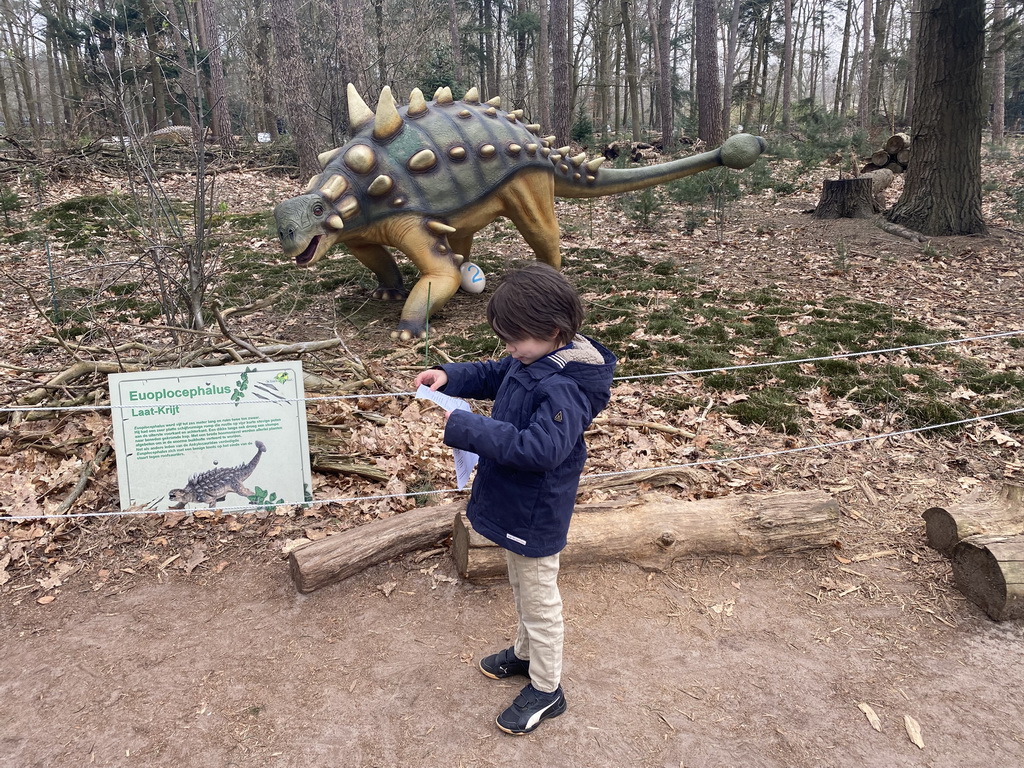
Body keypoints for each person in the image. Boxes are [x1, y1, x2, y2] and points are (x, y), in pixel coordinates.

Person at [414, 263, 616, 735]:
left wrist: (466, 427)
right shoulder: (532, 358)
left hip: (536, 509)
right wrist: (450, 377)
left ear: (553, 332)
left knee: (539, 599)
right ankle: (525, 656)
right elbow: (496, 373)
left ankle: (548, 689)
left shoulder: (563, 384)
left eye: (514, 339)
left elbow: (542, 449)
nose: (508, 349)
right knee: (521, 586)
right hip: (512, 501)